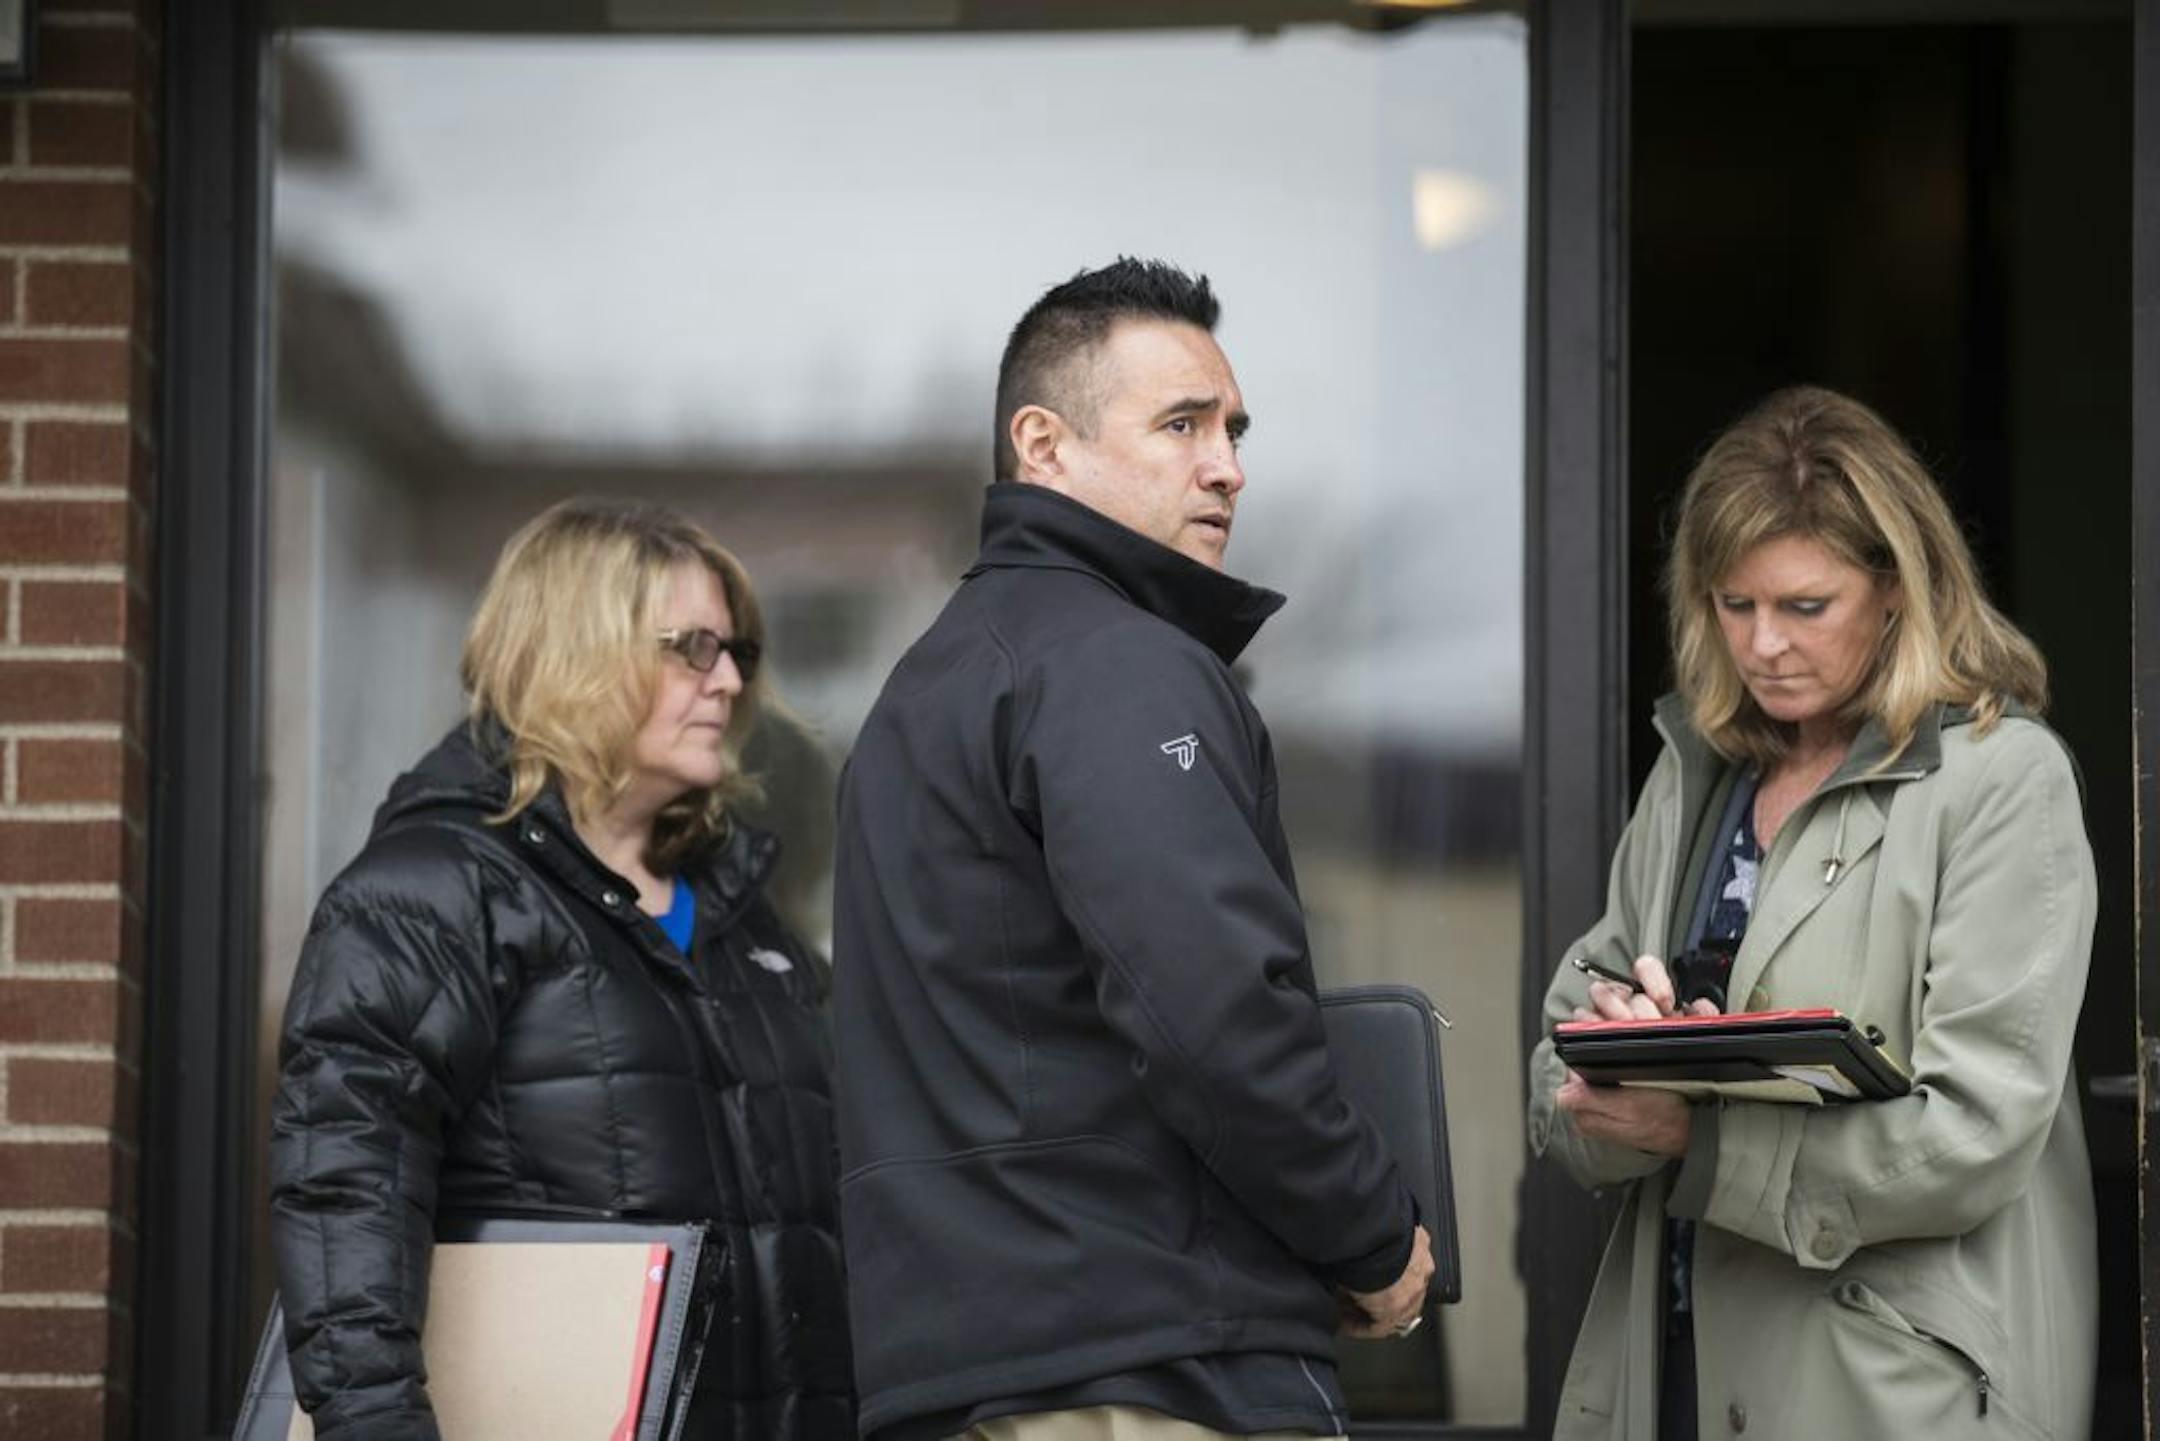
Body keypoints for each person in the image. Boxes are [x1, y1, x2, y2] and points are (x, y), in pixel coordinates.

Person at [830, 257, 1435, 1441]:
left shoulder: (926, 688)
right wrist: (1372, 1235)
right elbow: (1214, 1017)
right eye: (1182, 424)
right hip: (1148, 1371)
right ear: (1045, 446)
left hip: (973, 1373)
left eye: (1234, 428)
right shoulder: (1115, 662)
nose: (1229, 464)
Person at [1528, 386, 2097, 1440]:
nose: (1764, 645)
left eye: (1804, 606)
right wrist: (1608, 1068)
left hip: (1885, 1389)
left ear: (1895, 591)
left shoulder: (2004, 779)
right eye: (1734, 606)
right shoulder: (1697, 774)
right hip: (1673, 1367)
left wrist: (1696, 1140)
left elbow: (1974, 1133)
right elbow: (1557, 1053)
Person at [268, 499, 853, 1439]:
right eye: (692, 647)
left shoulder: (748, 920)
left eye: (737, 648)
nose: (732, 679)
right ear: (576, 653)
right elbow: (346, 1196)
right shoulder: (432, 893)